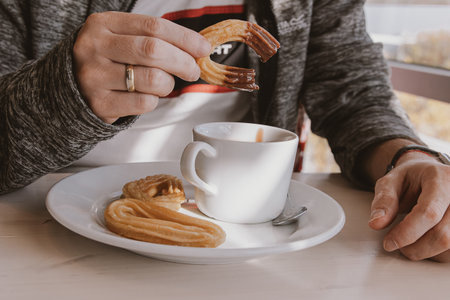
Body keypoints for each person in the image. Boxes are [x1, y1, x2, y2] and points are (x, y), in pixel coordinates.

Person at [0, 0, 448, 262]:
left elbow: (353, 91)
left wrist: (408, 158)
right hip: (45, 232)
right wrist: (60, 92)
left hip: (252, 247)